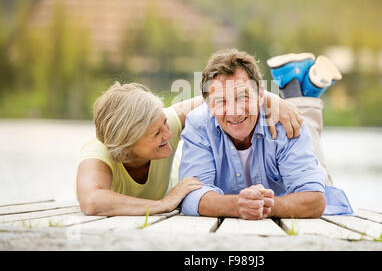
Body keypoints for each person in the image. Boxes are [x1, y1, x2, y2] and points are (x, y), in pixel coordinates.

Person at [76, 80, 303, 216]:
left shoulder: (167, 123)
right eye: (156, 134)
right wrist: (162, 204)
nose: (169, 133)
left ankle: (295, 90)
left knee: (295, 129)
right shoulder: (99, 153)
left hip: (201, 192)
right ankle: (299, 88)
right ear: (127, 145)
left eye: (164, 122)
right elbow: (92, 201)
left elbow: (220, 96)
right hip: (178, 202)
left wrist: (273, 100)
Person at [179, 49, 353, 219]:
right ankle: (301, 85)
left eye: (243, 97)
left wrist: (267, 206)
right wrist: (238, 204)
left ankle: (298, 85)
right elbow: (191, 197)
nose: (234, 112)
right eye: (221, 101)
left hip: (301, 202)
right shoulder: (198, 124)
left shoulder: (284, 120)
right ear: (208, 105)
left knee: (305, 127)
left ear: (261, 94)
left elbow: (314, 200)